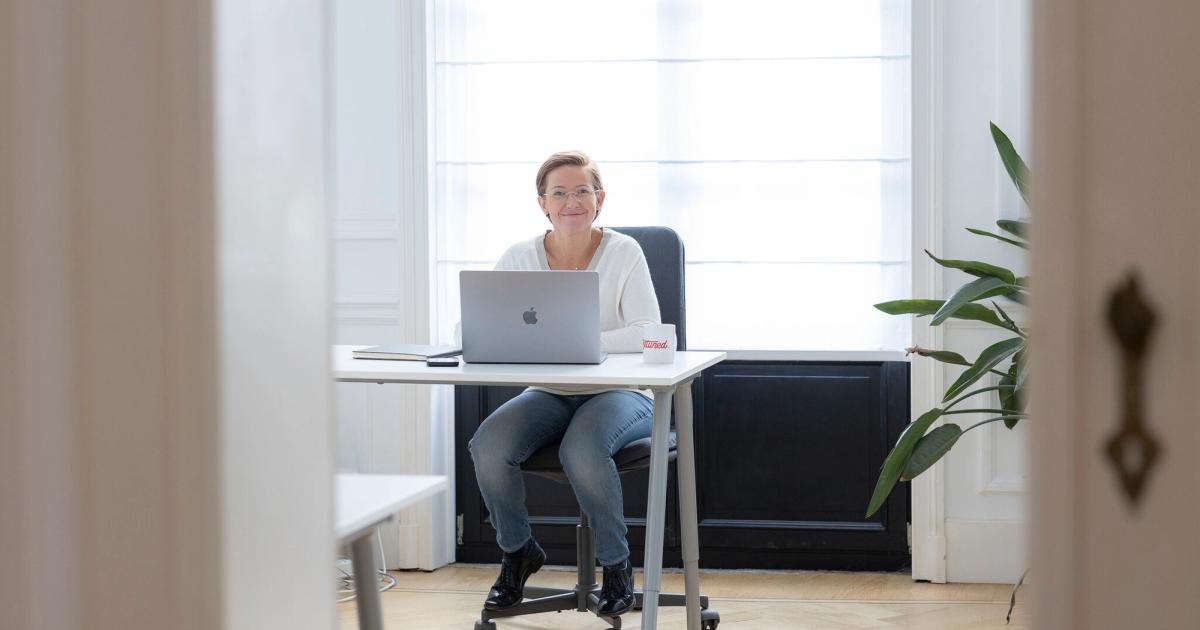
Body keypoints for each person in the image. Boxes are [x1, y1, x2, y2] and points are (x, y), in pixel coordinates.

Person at [468, 150, 661, 616]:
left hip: (621, 393)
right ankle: (518, 552)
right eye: (559, 192)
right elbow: (473, 325)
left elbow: (648, 331)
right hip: (550, 392)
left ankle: (616, 565)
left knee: (583, 448)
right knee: (488, 445)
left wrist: (583, 342)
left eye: (581, 191)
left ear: (599, 199)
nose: (571, 201)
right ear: (543, 203)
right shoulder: (519, 257)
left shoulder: (624, 252)